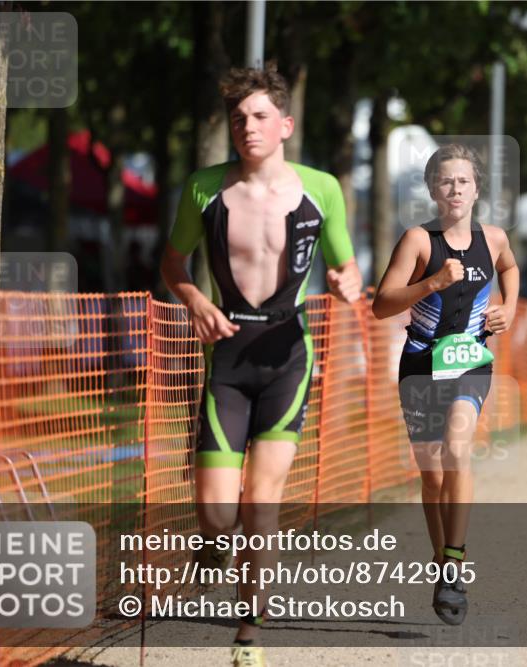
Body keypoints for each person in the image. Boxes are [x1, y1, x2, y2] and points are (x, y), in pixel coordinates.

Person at [160, 65, 362, 667]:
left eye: (260, 117)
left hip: (287, 358)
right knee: (219, 516)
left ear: (285, 125)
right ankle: (215, 547)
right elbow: (174, 264)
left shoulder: (321, 189)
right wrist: (195, 300)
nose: (248, 127)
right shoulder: (204, 188)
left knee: (261, 504)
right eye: (239, 118)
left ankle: (248, 634)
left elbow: (347, 266)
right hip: (227, 360)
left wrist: (347, 281)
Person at [371, 144, 519, 625]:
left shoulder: (493, 238)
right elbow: (382, 304)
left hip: (472, 361)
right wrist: (431, 283)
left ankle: (454, 563)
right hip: (419, 364)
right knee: (431, 475)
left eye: (463, 181)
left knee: (458, 448)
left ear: (477, 189)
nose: (455, 189)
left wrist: (510, 308)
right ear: (433, 190)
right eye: (445, 181)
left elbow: (510, 269)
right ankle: (442, 564)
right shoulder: (417, 240)